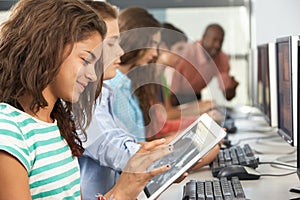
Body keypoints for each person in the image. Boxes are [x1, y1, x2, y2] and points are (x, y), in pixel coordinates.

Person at [0, 1, 171, 199]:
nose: (92, 75)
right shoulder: (9, 130)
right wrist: (121, 193)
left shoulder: (59, 124)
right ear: (48, 50)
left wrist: (124, 190)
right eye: (86, 60)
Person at [170, 23, 239, 106]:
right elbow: (171, 94)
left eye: (221, 41)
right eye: (214, 40)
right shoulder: (186, 53)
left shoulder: (221, 58)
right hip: (173, 96)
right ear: (203, 38)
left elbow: (228, 96)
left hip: (196, 96)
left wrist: (231, 88)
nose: (217, 45)